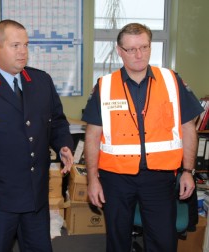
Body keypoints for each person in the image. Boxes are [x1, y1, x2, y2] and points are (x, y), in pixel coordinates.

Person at [0, 19, 74, 252]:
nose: (23, 52)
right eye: (15, 46)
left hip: (35, 196)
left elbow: (56, 122)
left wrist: (63, 145)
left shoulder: (40, 81)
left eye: (26, 45)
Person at [82, 22, 204, 252]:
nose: (139, 54)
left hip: (159, 178)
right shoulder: (104, 87)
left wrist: (188, 172)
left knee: (163, 242)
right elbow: (92, 135)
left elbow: (189, 128)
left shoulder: (171, 81)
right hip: (115, 178)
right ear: (119, 51)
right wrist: (92, 178)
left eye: (144, 47)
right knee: (117, 241)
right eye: (131, 49)